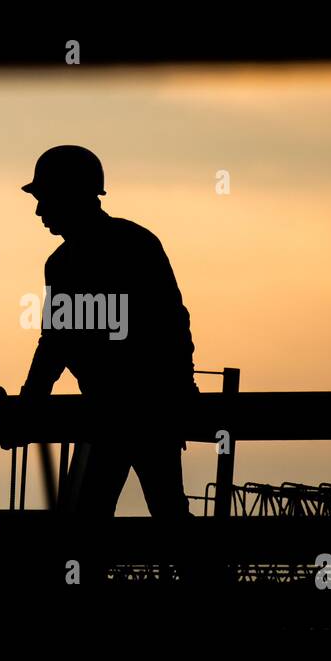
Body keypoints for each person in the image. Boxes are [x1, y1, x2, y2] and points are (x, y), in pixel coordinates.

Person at [19, 145, 198, 519]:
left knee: (91, 519)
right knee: (162, 514)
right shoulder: (124, 245)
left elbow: (57, 342)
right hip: (140, 411)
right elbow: (59, 340)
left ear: (71, 196)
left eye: (45, 199)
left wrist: (29, 402)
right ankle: (202, 577)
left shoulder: (81, 259)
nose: (39, 211)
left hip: (128, 413)